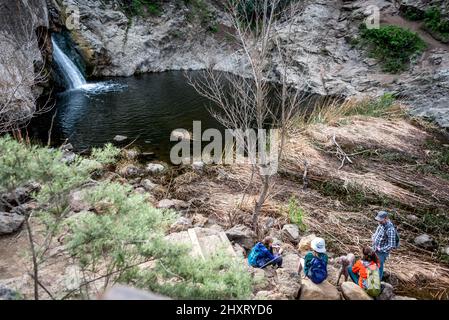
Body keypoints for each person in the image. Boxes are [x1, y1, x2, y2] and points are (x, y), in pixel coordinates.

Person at [371, 211, 399, 281]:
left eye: (381, 220)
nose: (379, 221)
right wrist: (373, 238)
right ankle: (372, 281)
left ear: (386, 218)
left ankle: (377, 283)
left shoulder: (390, 229)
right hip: (375, 249)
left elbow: (391, 245)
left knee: (379, 267)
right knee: (373, 265)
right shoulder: (381, 224)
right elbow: (376, 233)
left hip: (382, 252)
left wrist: (380, 249)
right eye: (378, 219)